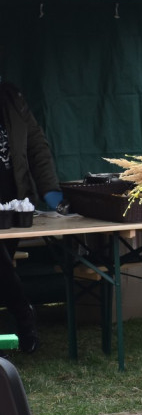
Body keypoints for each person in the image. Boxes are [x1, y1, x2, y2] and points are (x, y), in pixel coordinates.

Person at [0, 81, 63, 354]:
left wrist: (50, 190)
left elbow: (36, 146)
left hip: (12, 206)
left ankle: (24, 320)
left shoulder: (12, 98)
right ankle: (25, 318)